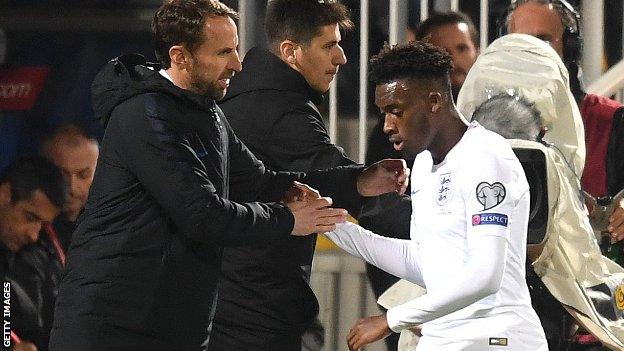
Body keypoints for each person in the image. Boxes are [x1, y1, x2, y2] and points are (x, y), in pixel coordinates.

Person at [49, 1, 407, 350]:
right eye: (223, 53)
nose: (238, 64)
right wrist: (287, 220)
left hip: (167, 321)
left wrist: (357, 181)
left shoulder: (208, 114)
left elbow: (261, 181)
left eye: (235, 49)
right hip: (113, 325)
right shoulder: (144, 116)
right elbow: (202, 214)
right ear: (180, 57)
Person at [323, 42, 547, 350]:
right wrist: (331, 224)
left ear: (433, 101)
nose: (387, 126)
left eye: (396, 111)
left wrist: (392, 319)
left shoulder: (486, 157)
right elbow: (427, 261)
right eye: (383, 113)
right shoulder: (425, 165)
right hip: (444, 339)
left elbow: (485, 275)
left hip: (497, 339)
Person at [210, 1, 358, 349]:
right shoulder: (284, 111)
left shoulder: (238, 96)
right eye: (328, 46)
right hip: (256, 312)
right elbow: (344, 184)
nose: (341, 58)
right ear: (290, 51)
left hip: (228, 303)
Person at [361, 12, 480, 350]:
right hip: (412, 289)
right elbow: (380, 212)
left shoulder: (492, 137)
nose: (453, 60)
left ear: (478, 53)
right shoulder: (390, 131)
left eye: (461, 48)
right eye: (441, 52)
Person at [505, 0, 624, 246]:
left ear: (569, 49)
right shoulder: (486, 127)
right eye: (521, 42)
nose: (531, 52)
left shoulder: (612, 121)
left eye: (543, 39)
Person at [0, 156, 66, 351]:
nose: (33, 235)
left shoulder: (22, 254)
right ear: (4, 194)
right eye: (30, 217)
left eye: (42, 224)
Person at [41, 123, 99, 251]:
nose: (72, 188)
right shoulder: (27, 233)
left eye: (83, 175)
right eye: (62, 174)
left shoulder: (114, 227)